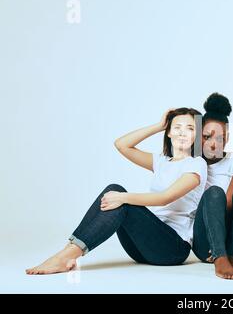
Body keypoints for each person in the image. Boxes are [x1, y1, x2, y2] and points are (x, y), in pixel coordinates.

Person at [26, 107, 207, 275]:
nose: (182, 132)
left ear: (196, 135)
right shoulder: (161, 162)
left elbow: (164, 198)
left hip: (172, 249)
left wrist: (123, 198)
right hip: (142, 248)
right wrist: (158, 126)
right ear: (168, 132)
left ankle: (66, 256)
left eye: (190, 128)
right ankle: (68, 251)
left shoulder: (197, 164)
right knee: (114, 190)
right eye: (177, 127)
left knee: (120, 196)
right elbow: (121, 144)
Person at [193, 93, 233, 280]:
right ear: (199, 138)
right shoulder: (192, 164)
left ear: (227, 139)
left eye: (220, 139)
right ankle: (220, 257)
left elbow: (231, 202)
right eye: (207, 137)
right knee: (214, 193)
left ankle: (232, 256)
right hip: (205, 243)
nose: (213, 144)